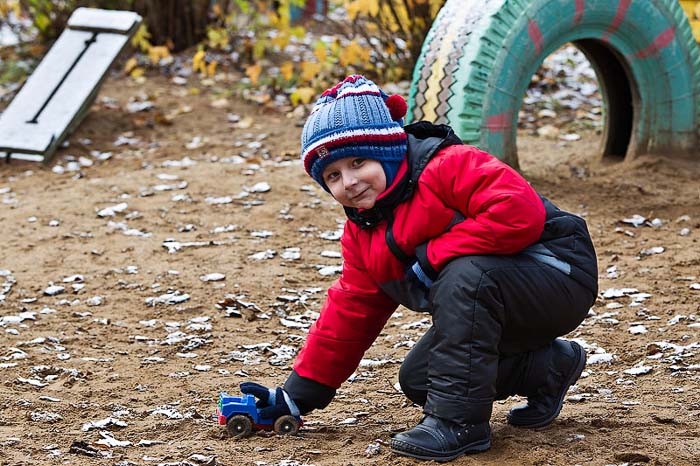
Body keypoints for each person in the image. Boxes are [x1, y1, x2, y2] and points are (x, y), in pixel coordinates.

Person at [239, 74, 598, 462]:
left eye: (359, 161)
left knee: (467, 276)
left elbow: (519, 213)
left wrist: (433, 255)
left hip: (557, 270)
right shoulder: (364, 232)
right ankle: (548, 368)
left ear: (389, 148)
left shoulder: (444, 166)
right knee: (423, 380)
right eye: (333, 176)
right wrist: (296, 395)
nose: (350, 181)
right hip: (494, 300)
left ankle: (458, 425)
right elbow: (350, 312)